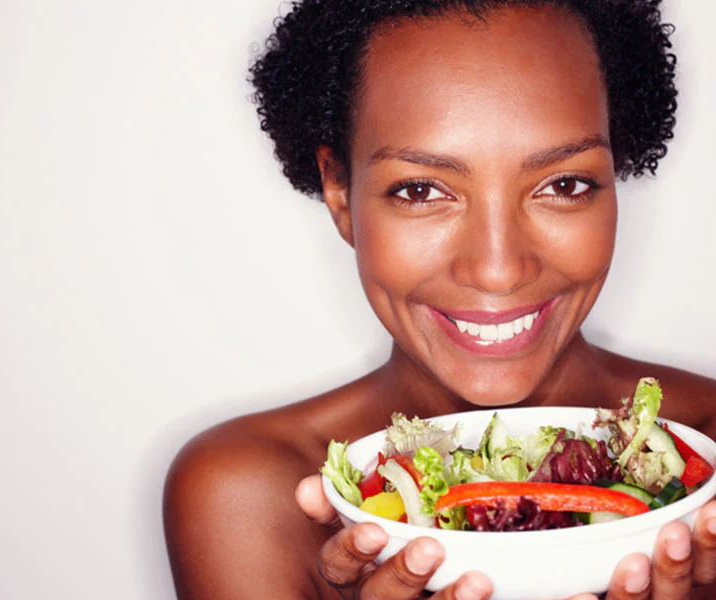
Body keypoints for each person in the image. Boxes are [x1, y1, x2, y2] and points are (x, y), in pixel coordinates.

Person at [164, 0, 716, 598]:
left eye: (563, 184)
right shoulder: (248, 494)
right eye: (421, 190)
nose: (498, 270)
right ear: (341, 194)